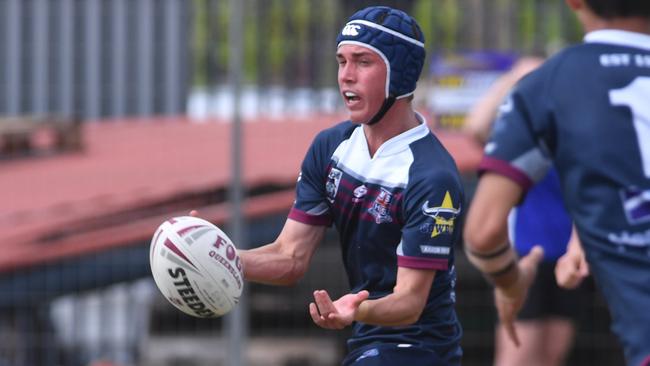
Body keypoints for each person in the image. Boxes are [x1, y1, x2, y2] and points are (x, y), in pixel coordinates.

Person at [230, 6, 464, 365]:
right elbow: (289, 258)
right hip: (367, 340)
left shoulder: (431, 176)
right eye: (341, 61)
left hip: (419, 347)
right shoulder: (331, 148)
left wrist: (355, 310)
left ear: (399, 74)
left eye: (363, 62)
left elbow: (409, 304)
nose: (346, 76)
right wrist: (219, 256)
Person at [463, 0, 650, 365]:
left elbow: (482, 232)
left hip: (556, 260)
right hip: (543, 251)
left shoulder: (555, 86)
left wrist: (509, 280)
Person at [463, 57, 589, 366]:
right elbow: (475, 128)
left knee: (551, 356)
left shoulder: (577, 137)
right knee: (517, 358)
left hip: (568, 259)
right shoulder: (522, 140)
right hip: (524, 259)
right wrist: (515, 76)